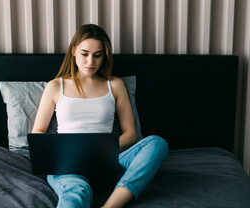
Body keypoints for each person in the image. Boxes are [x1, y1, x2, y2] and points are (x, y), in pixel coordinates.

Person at [32, 24, 168, 208]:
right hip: (69, 166)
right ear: (73, 51)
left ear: (104, 56)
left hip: (108, 161)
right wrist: (61, 155)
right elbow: (38, 131)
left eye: (97, 55)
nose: (90, 62)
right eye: (84, 54)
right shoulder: (55, 86)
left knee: (156, 143)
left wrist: (100, 153)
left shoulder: (115, 85)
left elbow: (130, 133)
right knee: (77, 191)